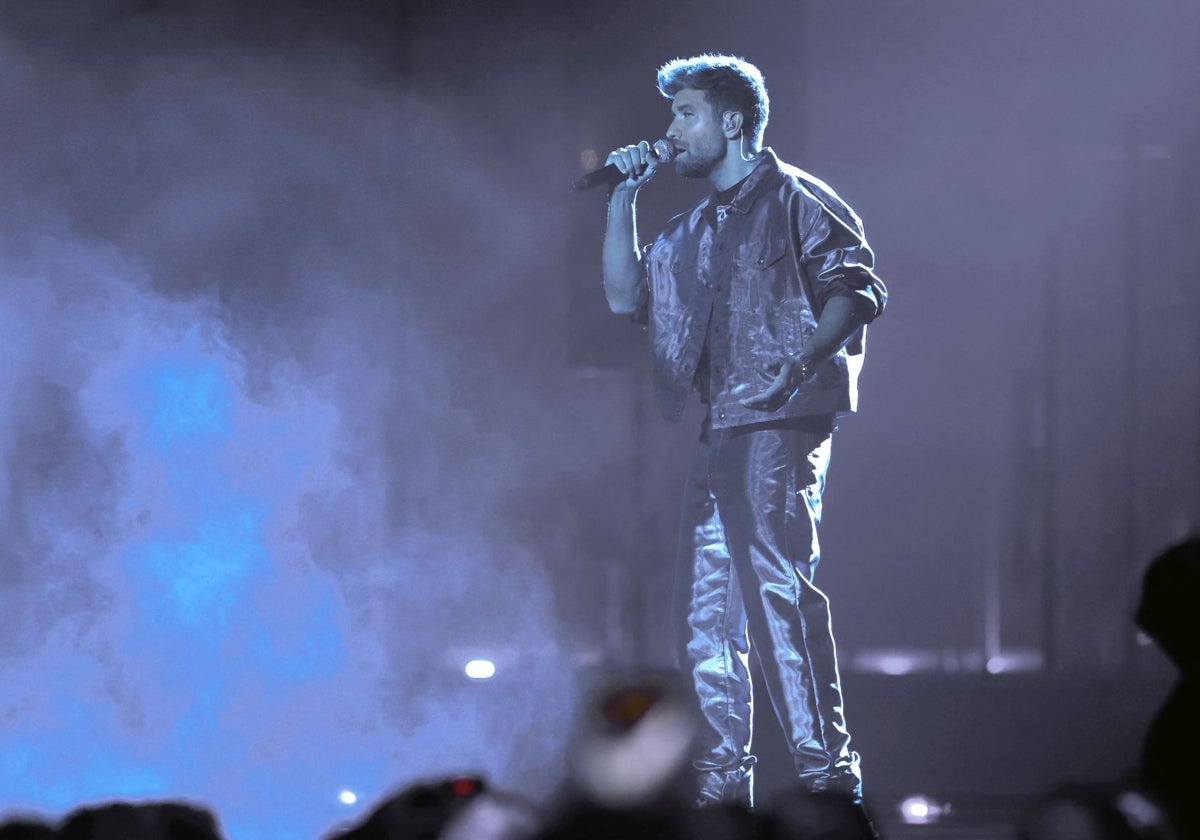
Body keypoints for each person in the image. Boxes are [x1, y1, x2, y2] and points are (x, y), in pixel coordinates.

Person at [599, 54, 886, 808]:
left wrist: (802, 360)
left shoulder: (797, 198)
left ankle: (828, 783)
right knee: (704, 610)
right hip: (719, 428)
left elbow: (854, 289)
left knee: (775, 594)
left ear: (732, 121)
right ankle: (721, 790)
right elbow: (626, 295)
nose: (671, 132)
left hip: (779, 420)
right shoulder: (690, 228)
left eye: (684, 114)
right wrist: (623, 197)